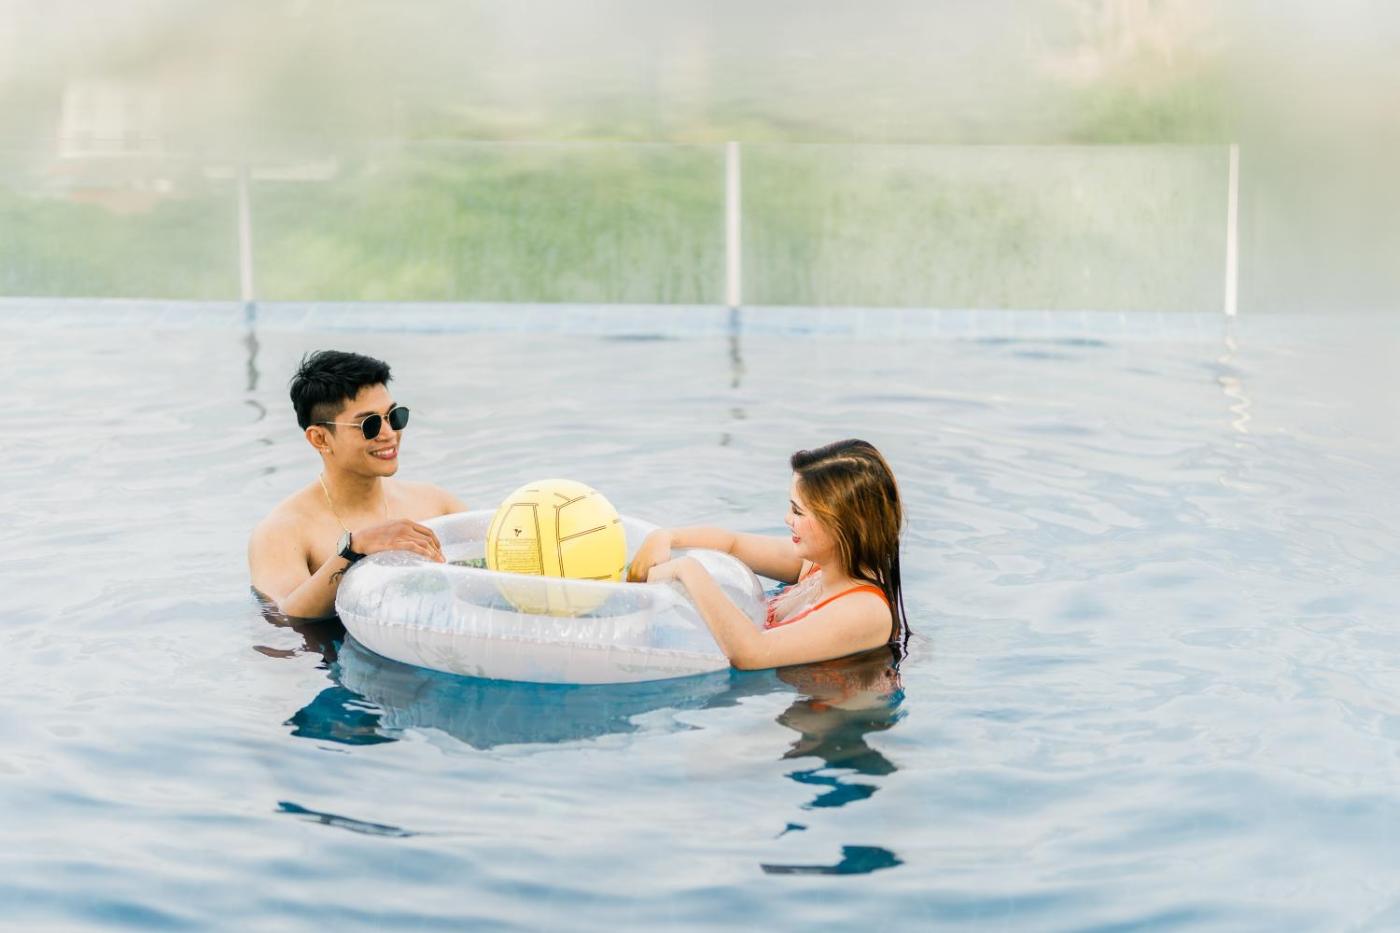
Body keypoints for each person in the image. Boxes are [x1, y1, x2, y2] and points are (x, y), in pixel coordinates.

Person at [627, 439, 907, 670]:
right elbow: (733, 544)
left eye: (798, 511)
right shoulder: (817, 565)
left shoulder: (865, 611)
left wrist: (686, 569)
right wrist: (665, 537)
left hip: (828, 716)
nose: (787, 519)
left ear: (843, 525)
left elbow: (754, 654)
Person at [249, 350, 466, 619]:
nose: (389, 434)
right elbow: (284, 617)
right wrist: (353, 549)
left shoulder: (437, 504)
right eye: (369, 424)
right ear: (320, 439)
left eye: (394, 416)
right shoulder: (282, 531)